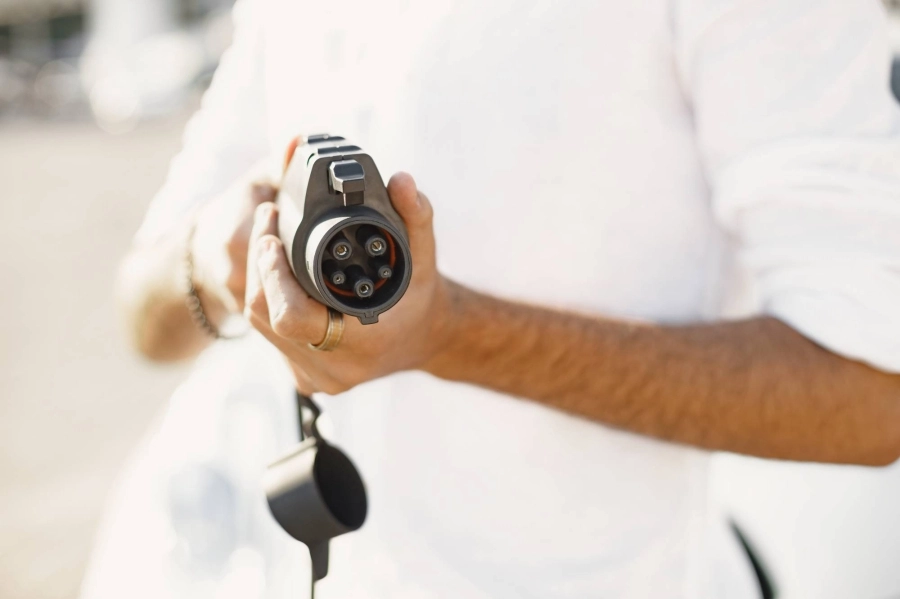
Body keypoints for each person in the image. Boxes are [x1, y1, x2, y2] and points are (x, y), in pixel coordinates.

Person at [100, 1, 900, 598]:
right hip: (264, 567)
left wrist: (449, 333)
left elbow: (873, 396)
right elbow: (141, 313)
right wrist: (209, 261)